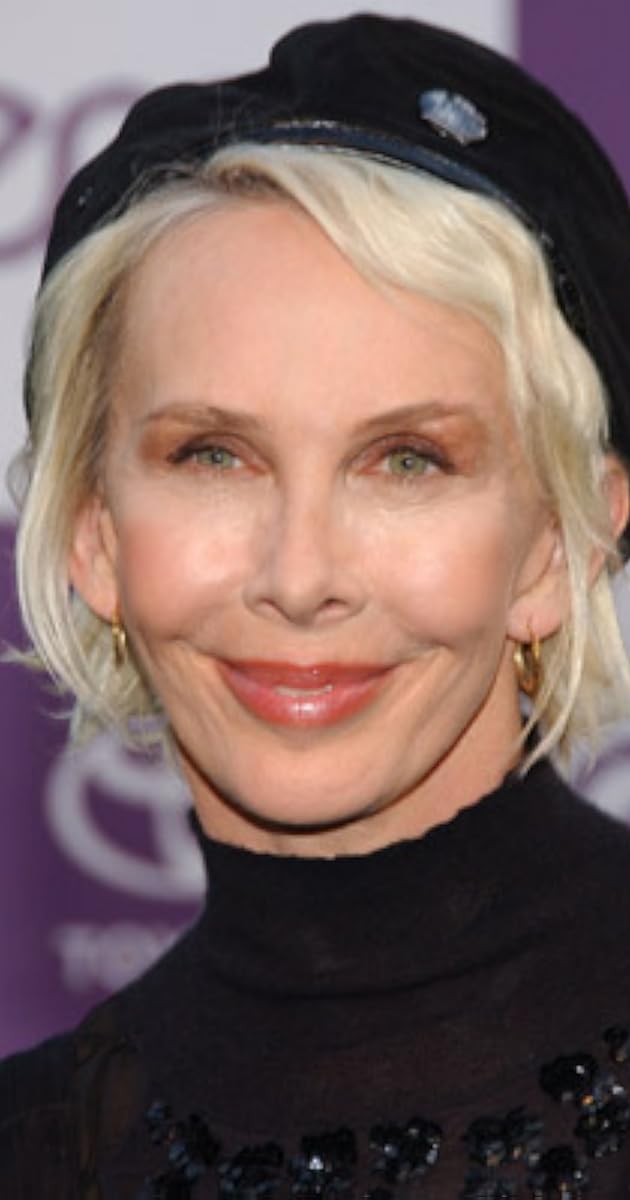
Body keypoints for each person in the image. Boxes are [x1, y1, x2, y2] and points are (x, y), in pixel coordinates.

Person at [2, 12, 630, 1199]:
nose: (299, 578)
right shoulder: (36, 1148)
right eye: (212, 456)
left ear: (558, 545)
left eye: (407, 462)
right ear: (94, 533)